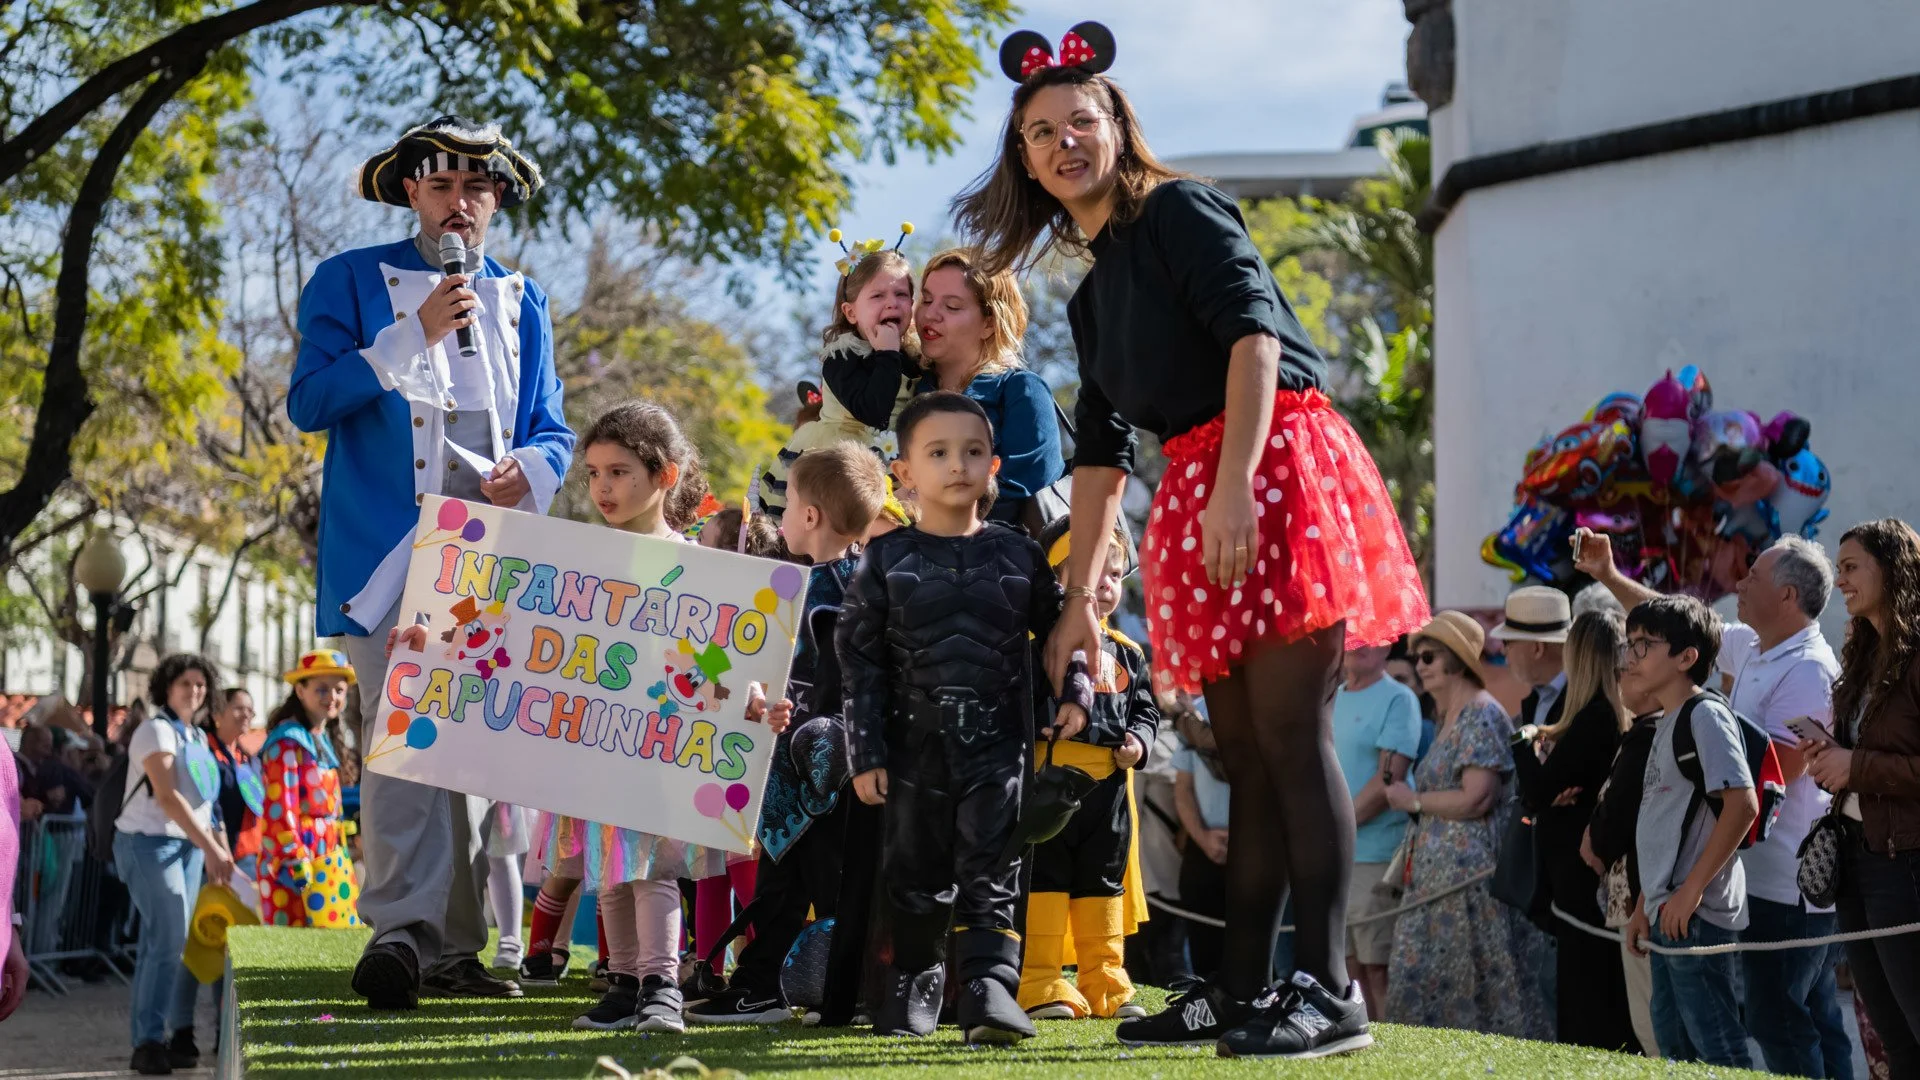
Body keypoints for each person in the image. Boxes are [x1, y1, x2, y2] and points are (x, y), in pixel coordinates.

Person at [955, 23, 1428, 1057]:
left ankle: (1334, 991)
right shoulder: (1090, 297)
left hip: (1272, 464)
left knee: (1292, 737)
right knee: (1245, 756)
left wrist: (1237, 487)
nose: (1064, 140)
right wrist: (1079, 602)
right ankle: (1239, 986)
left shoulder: (1178, 209)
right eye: (1040, 132)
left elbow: (1255, 335)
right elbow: (1099, 455)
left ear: (1119, 124)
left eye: (1082, 118)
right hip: (1193, 489)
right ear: (1025, 161)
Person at [292, 115, 573, 1009]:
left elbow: (553, 431)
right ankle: (401, 931)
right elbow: (309, 402)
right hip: (386, 552)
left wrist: (529, 472)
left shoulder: (525, 300)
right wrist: (404, 338)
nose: (460, 204)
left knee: (469, 756)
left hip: (489, 556)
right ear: (411, 188)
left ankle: (452, 949)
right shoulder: (346, 281)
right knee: (404, 737)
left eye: (476, 188)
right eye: (443, 185)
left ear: (495, 200)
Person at [839, 391, 1093, 1044]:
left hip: (998, 747)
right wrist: (864, 752)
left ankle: (989, 989)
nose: (958, 465)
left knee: (993, 869)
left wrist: (1076, 694)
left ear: (996, 468)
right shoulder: (884, 561)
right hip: (910, 748)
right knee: (915, 872)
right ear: (903, 473)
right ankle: (914, 981)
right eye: (939, 453)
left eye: (974, 452)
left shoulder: (1020, 556)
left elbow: (1062, 635)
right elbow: (859, 662)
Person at [1580, 528, 1854, 1076]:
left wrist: (1705, 728)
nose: (1739, 582)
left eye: (1753, 575)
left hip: (1784, 885)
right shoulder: (1753, 647)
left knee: (1780, 1023)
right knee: (1790, 1019)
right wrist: (1609, 578)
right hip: (1729, 877)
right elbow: (1673, 630)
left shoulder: (1808, 668)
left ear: (1787, 598)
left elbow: (1770, 775)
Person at [560, 401, 791, 1033]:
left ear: (665, 476)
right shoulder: (578, 560)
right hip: (599, 739)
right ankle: (627, 983)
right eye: (595, 473)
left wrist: (743, 696)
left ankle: (662, 982)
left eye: (619, 472)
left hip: (667, 742)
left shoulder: (697, 563)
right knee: (609, 866)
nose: (603, 487)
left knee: (655, 864)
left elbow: (728, 646)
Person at [689, 442, 890, 1024]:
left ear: (810, 517)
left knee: (832, 889)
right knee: (782, 886)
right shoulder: (796, 584)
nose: (780, 518)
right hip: (794, 772)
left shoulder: (851, 588)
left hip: (836, 774)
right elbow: (760, 664)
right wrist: (759, 702)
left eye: (790, 503)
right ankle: (761, 986)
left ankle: (844, 990)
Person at [1381, 612, 1550, 1039]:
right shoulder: (1448, 717)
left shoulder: (1480, 714)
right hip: (1437, 881)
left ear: (1457, 659)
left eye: (1429, 656)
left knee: (1475, 991)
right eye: (1416, 656)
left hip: (1469, 883)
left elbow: (1479, 796)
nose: (1419, 664)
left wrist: (1414, 800)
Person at [1018, 517, 1158, 1021]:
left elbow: (1146, 709)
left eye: (1114, 574)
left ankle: (1107, 981)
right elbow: (1023, 702)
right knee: (1046, 881)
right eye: (1090, 571)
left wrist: (1138, 742)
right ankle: (1040, 980)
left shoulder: (1130, 651)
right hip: (1049, 783)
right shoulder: (1039, 643)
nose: (1104, 585)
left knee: (1104, 883)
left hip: (1109, 790)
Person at [1622, 596, 1756, 1068]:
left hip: (1694, 913)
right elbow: (1662, 823)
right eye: (1630, 643)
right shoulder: (1668, 721)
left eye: (1645, 644)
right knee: (1674, 1048)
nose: (1632, 655)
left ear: (1686, 657)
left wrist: (1691, 891)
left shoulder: (1705, 715)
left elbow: (1743, 805)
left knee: (1717, 1047)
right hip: (1666, 910)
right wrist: (1644, 904)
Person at [1808, 519, 1920, 1076]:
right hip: (1856, 857)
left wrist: (1856, 766)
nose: (1841, 581)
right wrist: (1831, 755)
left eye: (1851, 567)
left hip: (1905, 865)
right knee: (1894, 1039)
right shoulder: (1863, 654)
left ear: (1891, 569)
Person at [1509, 611, 1637, 1051]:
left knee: (1587, 999)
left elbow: (1540, 789)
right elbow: (1544, 793)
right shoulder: (1600, 717)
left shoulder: (1595, 718)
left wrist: (1521, 742)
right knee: (1587, 989)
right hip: (1578, 873)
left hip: (1581, 877)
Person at [115, 653, 234, 1075]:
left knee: (165, 944)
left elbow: (207, 805)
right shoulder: (155, 731)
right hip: (146, 844)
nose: (194, 690)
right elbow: (168, 798)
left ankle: (158, 1038)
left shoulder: (197, 737)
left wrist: (219, 846)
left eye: (201, 684)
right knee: (167, 942)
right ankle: (148, 1042)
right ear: (167, 686)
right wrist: (213, 849)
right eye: (185, 682)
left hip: (187, 847)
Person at [760, 237, 919, 517]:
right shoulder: (841, 357)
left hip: (895, 463)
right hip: (839, 460)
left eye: (901, 295)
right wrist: (887, 355)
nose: (892, 303)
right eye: (877, 296)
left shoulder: (914, 359)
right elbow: (874, 411)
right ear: (851, 312)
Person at [911, 248, 1062, 526]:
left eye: (952, 306)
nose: (930, 314)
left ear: (989, 324)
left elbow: (1025, 491)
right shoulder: (905, 386)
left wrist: (923, 505)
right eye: (927, 299)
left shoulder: (1022, 390)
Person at [1328, 643, 1420, 1021]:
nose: (1360, 642)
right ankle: (1357, 1036)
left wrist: (1331, 829)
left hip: (1377, 857)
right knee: (1348, 967)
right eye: (1352, 631)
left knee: (1378, 969)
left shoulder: (1399, 699)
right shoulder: (1329, 696)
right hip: (1335, 857)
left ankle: (1390, 1052)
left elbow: (1388, 784)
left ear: (1387, 646)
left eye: (1373, 633)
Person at [1582, 678, 1665, 1057]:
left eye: (1633, 671)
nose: (1622, 680)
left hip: (1638, 899)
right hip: (1634, 897)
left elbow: (1619, 814)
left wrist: (1594, 837)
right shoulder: (1648, 731)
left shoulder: (1647, 734)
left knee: (1651, 1023)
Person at [255, 650, 362, 929]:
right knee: (295, 947)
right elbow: (281, 806)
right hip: (295, 863)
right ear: (300, 691)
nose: (332, 697)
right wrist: (293, 855)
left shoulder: (320, 739)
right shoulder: (288, 741)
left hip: (327, 856)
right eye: (321, 689)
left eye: (339, 690)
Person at [1169, 697, 1230, 980]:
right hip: (1204, 850)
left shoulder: (1274, 701)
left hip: (1261, 854)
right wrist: (1204, 838)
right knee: (1205, 957)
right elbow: (1183, 788)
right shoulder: (1199, 708)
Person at [1493, 585, 1571, 732]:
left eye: (1506, 642)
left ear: (1537, 649)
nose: (1503, 651)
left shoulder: (1582, 700)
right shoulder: (1537, 698)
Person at [204, 689, 261, 878]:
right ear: (217, 714)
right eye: (239, 708)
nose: (246, 715)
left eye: (250, 710)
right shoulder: (205, 753)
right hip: (218, 854)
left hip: (252, 851)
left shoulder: (247, 759)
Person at [14, 722, 92, 815]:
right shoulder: (13, 767)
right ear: (29, 743)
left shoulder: (33, 768)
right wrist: (47, 797)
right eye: (45, 747)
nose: (48, 753)